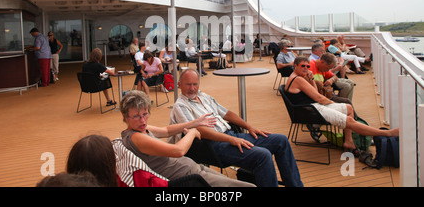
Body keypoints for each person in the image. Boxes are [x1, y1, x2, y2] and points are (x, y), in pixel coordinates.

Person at [169, 68, 303, 187]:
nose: (192, 88)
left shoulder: (204, 96)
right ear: (179, 84)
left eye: (195, 84)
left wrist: (250, 127)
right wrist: (231, 140)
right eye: (188, 84)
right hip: (213, 146)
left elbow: (227, 113)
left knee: (281, 141)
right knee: (262, 156)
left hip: (231, 135)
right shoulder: (180, 106)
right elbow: (198, 131)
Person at [120, 90, 255, 187]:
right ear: (125, 117)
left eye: (145, 114)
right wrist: (192, 132)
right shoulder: (137, 137)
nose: (143, 120)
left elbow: (166, 131)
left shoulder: (140, 128)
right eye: (137, 116)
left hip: (191, 169)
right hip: (187, 178)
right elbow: (177, 151)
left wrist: (194, 123)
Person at [285, 56, 399, 154]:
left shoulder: (299, 77)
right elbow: (318, 97)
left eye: (307, 66)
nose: (306, 68)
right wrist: (334, 104)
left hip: (312, 107)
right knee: (349, 120)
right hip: (311, 111)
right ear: (295, 65)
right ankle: (386, 133)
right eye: (302, 66)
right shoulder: (297, 79)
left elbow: (314, 91)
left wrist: (311, 78)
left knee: (348, 108)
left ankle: (349, 142)